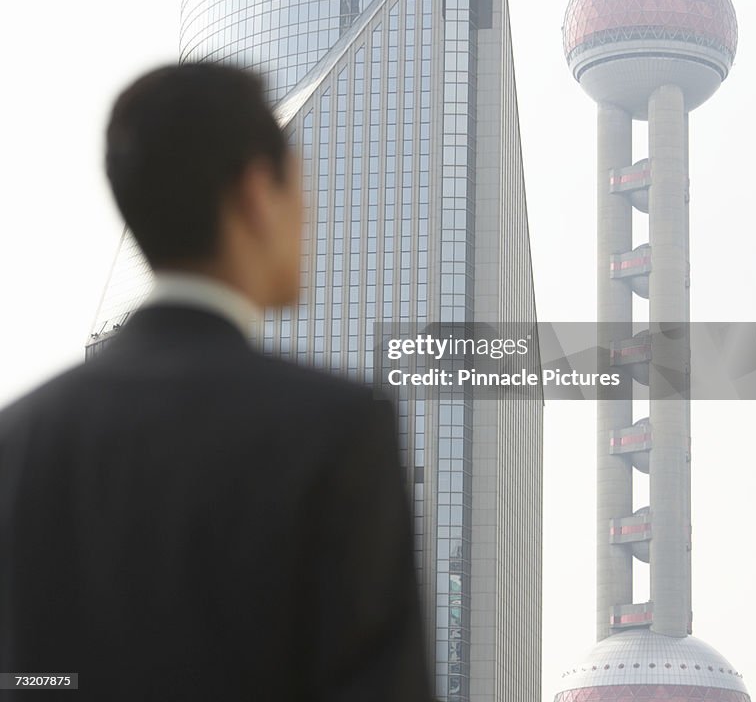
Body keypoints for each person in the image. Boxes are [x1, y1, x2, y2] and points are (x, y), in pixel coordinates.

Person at [0, 62, 432, 701]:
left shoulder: (18, 440)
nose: (308, 219)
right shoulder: (336, 428)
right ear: (258, 193)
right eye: (301, 189)